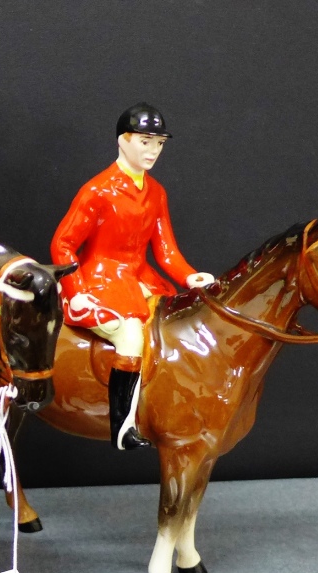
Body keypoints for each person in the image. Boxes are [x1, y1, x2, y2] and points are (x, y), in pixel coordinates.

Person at [51, 102, 214, 450]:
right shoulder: (97, 191)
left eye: (158, 144)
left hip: (140, 278)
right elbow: (63, 245)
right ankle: (123, 425)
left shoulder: (156, 192)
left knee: (173, 325)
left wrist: (189, 277)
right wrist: (75, 288)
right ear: (123, 141)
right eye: (145, 142)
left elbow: (166, 249)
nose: (153, 151)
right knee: (129, 337)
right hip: (101, 282)